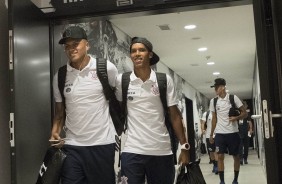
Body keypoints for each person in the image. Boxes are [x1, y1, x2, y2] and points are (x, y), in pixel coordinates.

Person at [115, 37, 190, 184]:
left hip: (161, 150)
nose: (137, 54)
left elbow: (175, 116)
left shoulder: (163, 80)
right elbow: (117, 112)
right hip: (132, 150)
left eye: (141, 50)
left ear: (150, 54)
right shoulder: (122, 81)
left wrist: (184, 146)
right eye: (133, 51)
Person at [50, 26, 118, 184]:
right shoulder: (60, 76)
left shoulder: (107, 68)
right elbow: (60, 113)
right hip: (72, 146)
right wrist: (55, 133)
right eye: (67, 46)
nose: (70, 49)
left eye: (75, 44)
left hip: (101, 144)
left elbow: (117, 101)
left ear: (87, 45)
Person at [209, 78, 247, 184]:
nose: (215, 89)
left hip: (233, 133)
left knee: (236, 156)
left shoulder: (233, 98)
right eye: (214, 87)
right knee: (220, 156)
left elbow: (245, 113)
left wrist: (236, 118)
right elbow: (214, 119)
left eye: (217, 87)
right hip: (220, 133)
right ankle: (222, 181)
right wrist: (212, 134)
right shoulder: (214, 101)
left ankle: (235, 179)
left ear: (223, 87)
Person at [201, 110, 218, 174]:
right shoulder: (206, 113)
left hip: (217, 135)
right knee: (211, 152)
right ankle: (214, 164)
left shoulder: (218, 112)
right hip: (208, 135)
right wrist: (202, 130)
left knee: (216, 151)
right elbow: (202, 122)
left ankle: (217, 166)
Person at [238, 101, 253, 165]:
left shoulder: (247, 114)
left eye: (245, 106)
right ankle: (241, 159)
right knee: (240, 146)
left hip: (246, 132)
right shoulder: (238, 113)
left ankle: (245, 158)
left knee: (246, 146)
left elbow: (250, 122)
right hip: (239, 132)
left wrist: (251, 129)